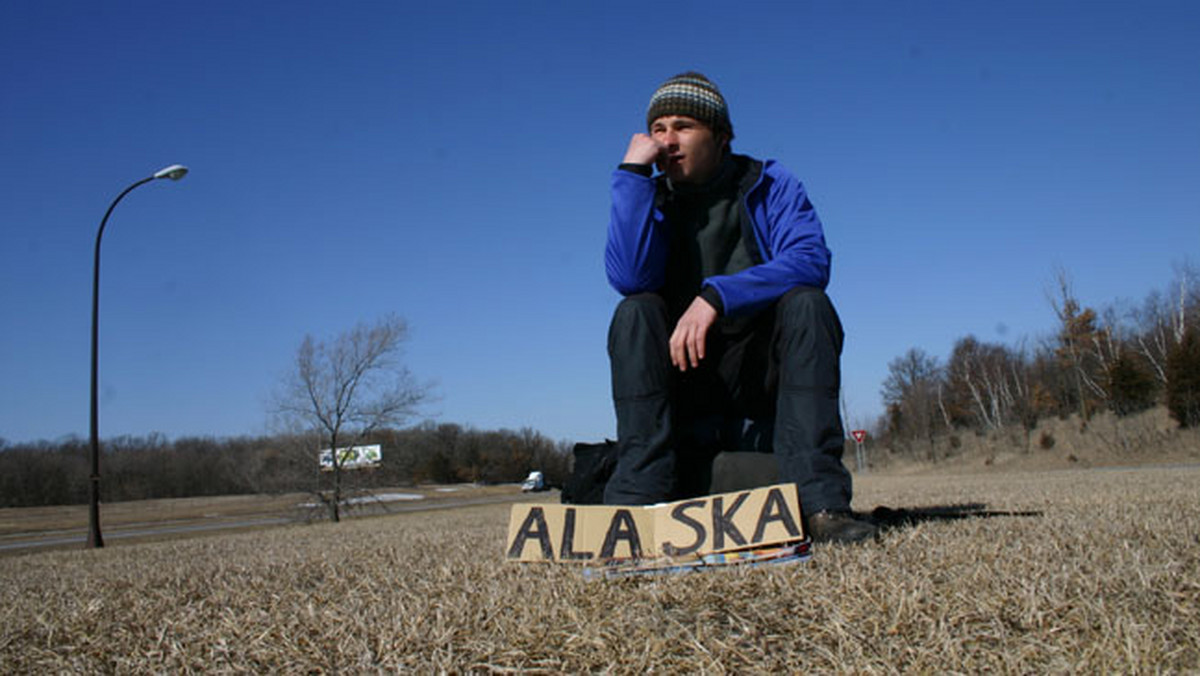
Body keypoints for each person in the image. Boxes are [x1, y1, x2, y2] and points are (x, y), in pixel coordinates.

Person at [603, 72, 875, 544]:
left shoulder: (770, 183)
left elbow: (810, 259)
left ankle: (821, 507)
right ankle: (637, 508)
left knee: (809, 304)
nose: (667, 140)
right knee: (634, 312)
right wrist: (631, 178)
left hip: (763, 394)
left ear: (721, 136)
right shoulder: (653, 199)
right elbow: (628, 278)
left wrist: (716, 295)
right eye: (658, 128)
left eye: (683, 126)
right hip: (688, 393)